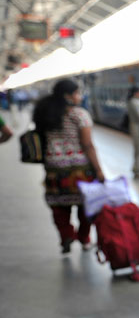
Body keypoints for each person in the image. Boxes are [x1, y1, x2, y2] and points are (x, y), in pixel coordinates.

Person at [32, 79, 105, 254]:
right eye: (77, 93)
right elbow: (87, 144)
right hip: (79, 168)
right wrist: (99, 170)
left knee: (59, 206)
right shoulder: (79, 115)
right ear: (68, 96)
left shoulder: (45, 113)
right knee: (85, 205)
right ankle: (84, 238)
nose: (80, 96)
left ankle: (66, 235)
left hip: (54, 167)